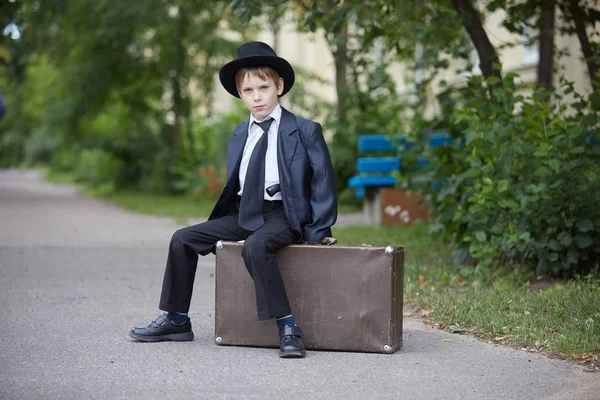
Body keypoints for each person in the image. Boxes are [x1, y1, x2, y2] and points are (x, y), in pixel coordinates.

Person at [129, 41, 337, 358]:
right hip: (245, 214)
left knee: (256, 246)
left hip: (284, 215)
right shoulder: (240, 133)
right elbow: (237, 183)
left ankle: (288, 327)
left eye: (263, 87)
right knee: (182, 239)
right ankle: (177, 320)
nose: (256, 96)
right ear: (239, 94)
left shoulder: (304, 130)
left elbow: (323, 183)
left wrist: (317, 231)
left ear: (279, 86)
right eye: (248, 90)